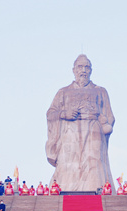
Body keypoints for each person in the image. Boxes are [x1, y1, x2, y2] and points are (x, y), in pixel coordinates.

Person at [46, 55, 115, 191]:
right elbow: (50, 113)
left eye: (86, 67)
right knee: (68, 164)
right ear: (74, 70)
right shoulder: (63, 92)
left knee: (94, 164)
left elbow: (110, 117)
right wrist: (63, 114)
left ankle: (98, 190)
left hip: (94, 132)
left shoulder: (100, 91)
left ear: (91, 70)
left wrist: (104, 122)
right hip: (70, 132)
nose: (83, 70)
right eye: (80, 67)